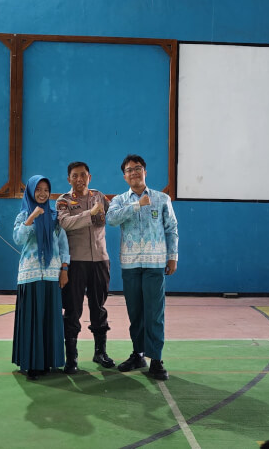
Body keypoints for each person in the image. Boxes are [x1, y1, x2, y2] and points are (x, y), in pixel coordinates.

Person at [107, 154, 178, 380]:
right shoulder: (119, 200)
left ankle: (156, 359)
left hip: (155, 264)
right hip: (130, 264)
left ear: (145, 172)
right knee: (135, 312)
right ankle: (138, 354)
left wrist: (172, 257)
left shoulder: (162, 199)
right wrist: (136, 206)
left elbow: (171, 229)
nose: (134, 172)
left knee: (154, 313)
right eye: (129, 170)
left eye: (137, 168)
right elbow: (111, 219)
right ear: (124, 176)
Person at [56, 161, 114, 374]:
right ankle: (71, 357)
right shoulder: (63, 201)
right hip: (76, 262)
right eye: (75, 176)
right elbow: (65, 223)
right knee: (73, 309)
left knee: (99, 307)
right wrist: (90, 213)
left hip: (100, 260)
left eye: (83, 175)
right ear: (69, 179)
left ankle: (100, 352)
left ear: (89, 177)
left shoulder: (99, 196)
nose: (79, 179)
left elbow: (113, 215)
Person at [12, 175, 70, 380]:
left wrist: (64, 269)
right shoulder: (23, 215)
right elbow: (18, 239)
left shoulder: (55, 217)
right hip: (30, 274)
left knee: (50, 319)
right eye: (38, 189)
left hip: (52, 274)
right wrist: (32, 217)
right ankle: (32, 364)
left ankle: (47, 361)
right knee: (32, 320)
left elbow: (63, 245)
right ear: (30, 191)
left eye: (46, 190)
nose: (42, 193)